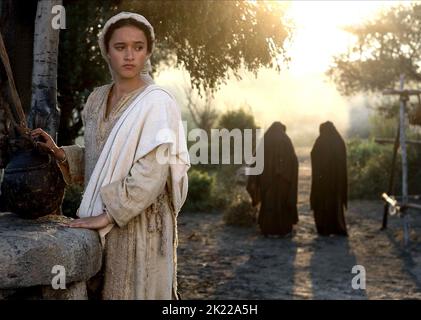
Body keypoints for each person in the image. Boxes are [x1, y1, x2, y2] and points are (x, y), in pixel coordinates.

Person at [30, 12, 190, 299]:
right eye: (120, 47)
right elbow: (98, 158)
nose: (129, 55)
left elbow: (153, 172)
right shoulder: (96, 99)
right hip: (101, 218)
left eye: (138, 47)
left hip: (141, 224)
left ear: (148, 52)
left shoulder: (157, 102)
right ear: (106, 50)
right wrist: (59, 153)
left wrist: (109, 215)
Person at [246, 121, 298, 237]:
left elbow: (255, 161)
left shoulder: (265, 141)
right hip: (284, 182)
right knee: (282, 204)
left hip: (267, 182)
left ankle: (269, 230)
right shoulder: (287, 141)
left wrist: (255, 179)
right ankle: (283, 230)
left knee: (269, 204)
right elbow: (294, 162)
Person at [310, 121, 348, 236]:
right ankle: (337, 228)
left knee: (322, 204)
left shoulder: (319, 142)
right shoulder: (339, 141)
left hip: (322, 182)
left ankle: (323, 228)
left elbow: (314, 156)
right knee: (335, 205)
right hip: (336, 183)